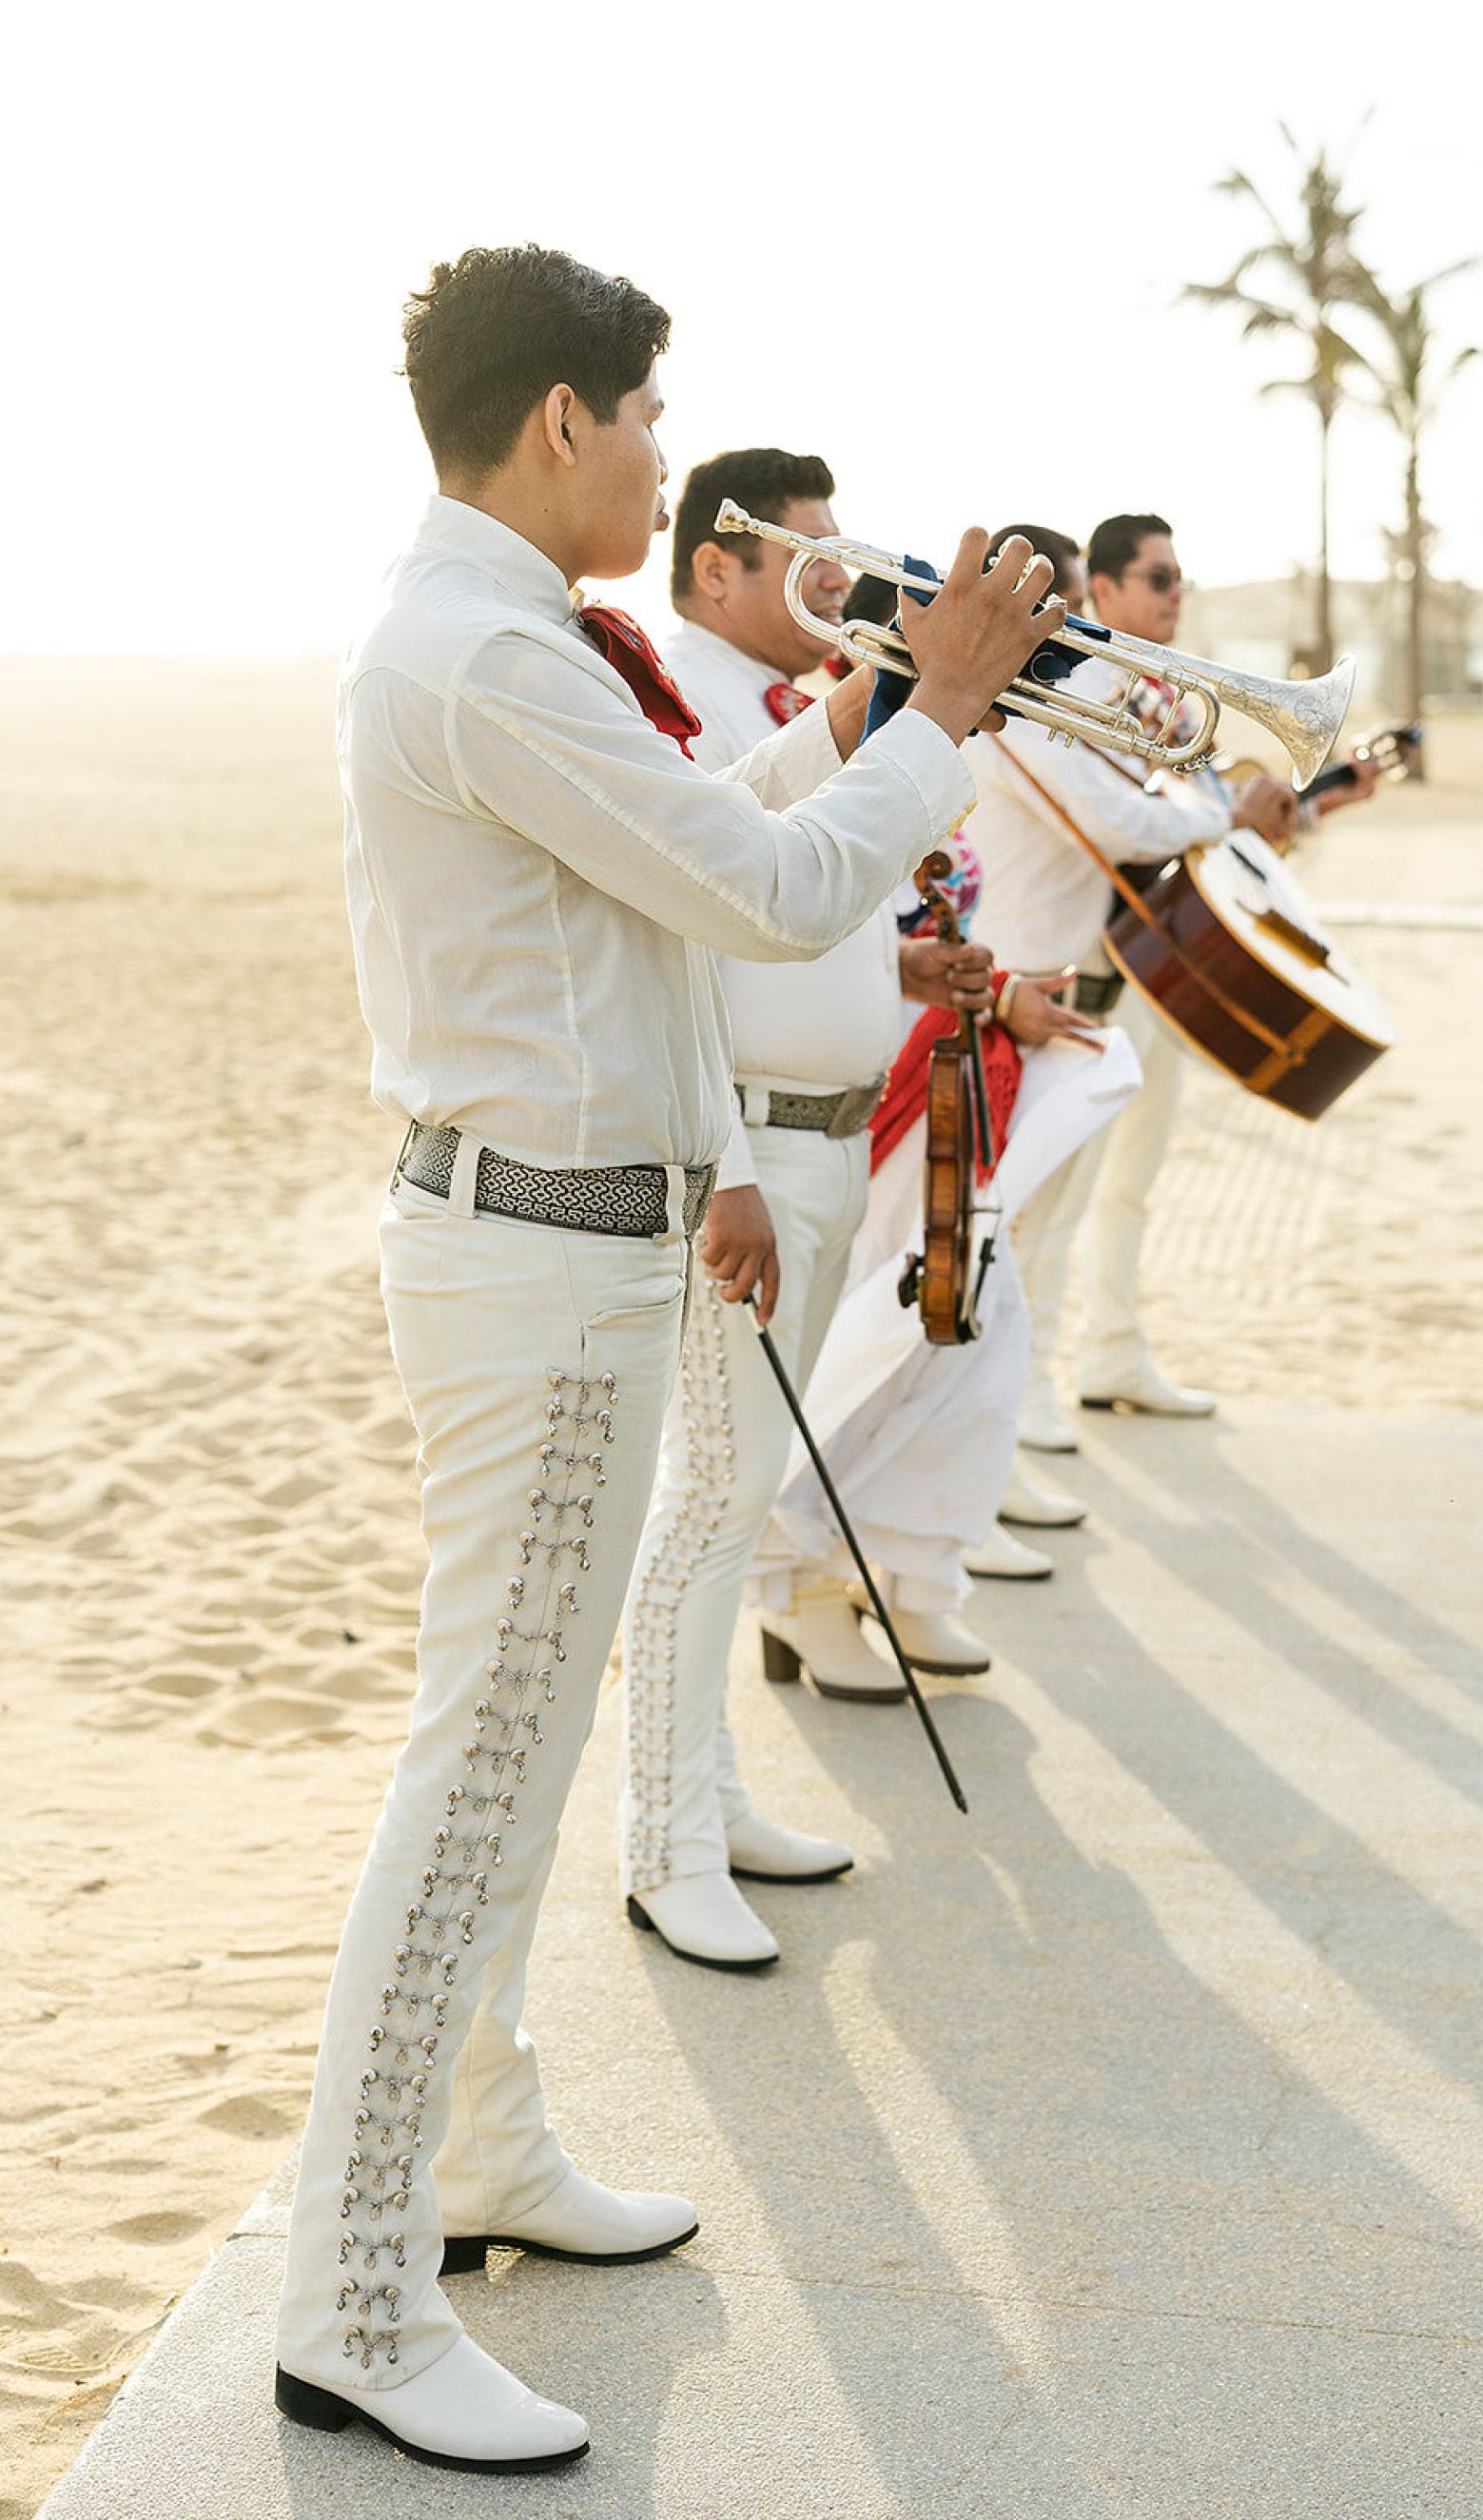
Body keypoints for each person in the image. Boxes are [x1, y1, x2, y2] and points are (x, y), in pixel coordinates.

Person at [272, 243, 1064, 2474]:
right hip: (528, 1273)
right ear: (561, 423)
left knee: (510, 1765)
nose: (655, 454)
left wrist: (901, 719)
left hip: (575, 1253)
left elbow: (663, 923)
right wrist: (944, 712)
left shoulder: (513, 639)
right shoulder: (485, 657)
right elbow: (778, 892)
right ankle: (354, 2302)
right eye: (640, 420)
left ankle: (486, 2143)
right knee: (473, 1779)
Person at [618, 447, 998, 1976]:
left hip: (821, 1140)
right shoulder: (693, 701)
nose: (839, 585)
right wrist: (738, 1172)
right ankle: (664, 1841)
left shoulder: (771, 702)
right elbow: (677, 944)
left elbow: (792, 917)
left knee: (734, 1488)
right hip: (758, 1154)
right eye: (807, 557)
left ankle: (707, 1793)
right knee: (707, 1499)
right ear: (719, 566)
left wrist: (903, 972)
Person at [759, 529, 1141, 1680]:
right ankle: (806, 1590)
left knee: (967, 1333)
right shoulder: (839, 741)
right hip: (874, 1090)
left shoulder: (925, 744)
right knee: (887, 1340)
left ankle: (910, 1571)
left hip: (942, 1065)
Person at [968, 511, 1294, 1447]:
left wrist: (1206, 793)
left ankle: (1030, 1404)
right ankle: (1011, 1417)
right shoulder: (1022, 707)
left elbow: (1169, 798)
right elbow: (1124, 821)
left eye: (1069, 595)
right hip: (1025, 987)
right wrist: (1220, 806)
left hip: (1082, 980)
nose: (1071, 614)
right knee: (1021, 1220)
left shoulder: (1068, 698)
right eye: (1056, 596)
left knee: (1056, 1212)